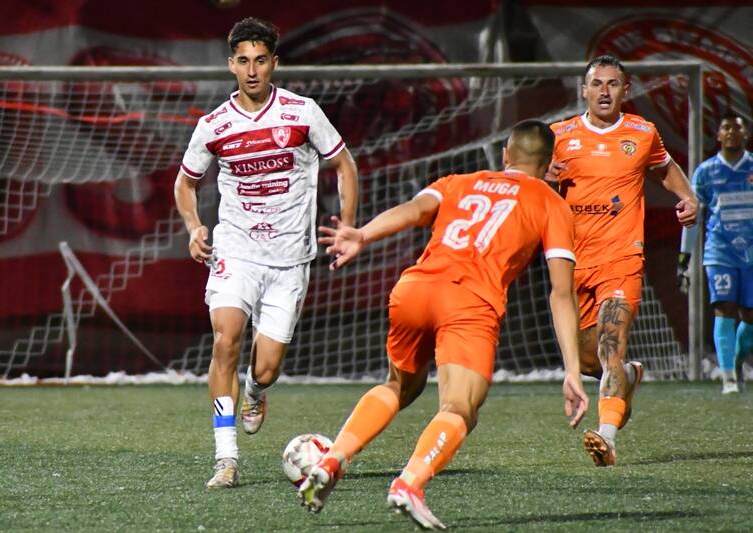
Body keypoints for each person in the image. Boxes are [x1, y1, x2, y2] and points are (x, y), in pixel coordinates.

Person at [298, 120, 589, 530]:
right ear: (549, 163)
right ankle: (410, 485)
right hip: (468, 301)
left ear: (505, 155)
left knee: (400, 385)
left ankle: (330, 462)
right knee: (460, 408)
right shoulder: (551, 203)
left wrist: (362, 234)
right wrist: (573, 369)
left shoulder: (459, 180)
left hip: (414, 289)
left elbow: (415, 210)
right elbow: (561, 293)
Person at [173, 17, 358, 488]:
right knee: (225, 340)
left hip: (290, 259)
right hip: (235, 249)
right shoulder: (213, 125)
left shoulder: (302, 113)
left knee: (266, 366)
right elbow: (185, 183)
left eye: (260, 61)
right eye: (243, 61)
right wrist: (195, 227)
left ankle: (255, 391)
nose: (252, 71)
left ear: (274, 63)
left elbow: (343, 163)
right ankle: (225, 459)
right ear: (230, 64)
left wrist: (350, 224)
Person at [548, 55, 698, 467]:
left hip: (622, 259)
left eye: (613, 84)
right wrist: (543, 176)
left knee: (611, 344)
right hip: (574, 264)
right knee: (586, 358)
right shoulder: (559, 136)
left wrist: (689, 198)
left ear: (625, 90)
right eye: (596, 84)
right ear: (583, 89)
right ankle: (629, 377)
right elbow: (528, 185)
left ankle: (607, 436)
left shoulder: (641, 133)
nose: (604, 91)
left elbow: (666, 169)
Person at [678, 112, 753, 394]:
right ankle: (728, 377)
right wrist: (684, 258)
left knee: (750, 317)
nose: (732, 131)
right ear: (718, 135)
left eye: (737, 127)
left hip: (751, 254)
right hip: (719, 252)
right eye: (726, 127)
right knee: (724, 308)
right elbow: (693, 217)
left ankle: (735, 360)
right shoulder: (705, 173)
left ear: (745, 134)